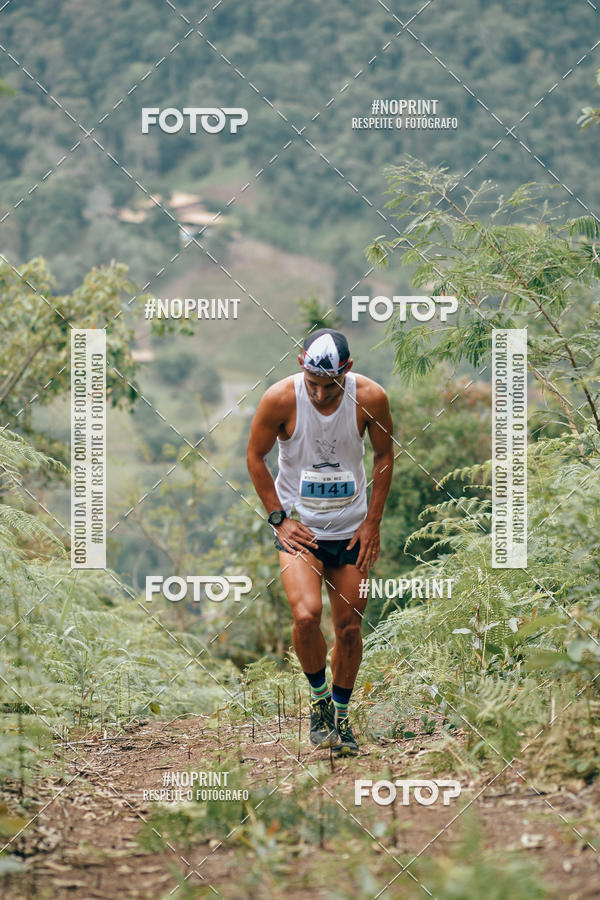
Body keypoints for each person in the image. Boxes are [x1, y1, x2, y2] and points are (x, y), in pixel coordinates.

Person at [246, 328, 394, 755]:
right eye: (313, 384)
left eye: (330, 387)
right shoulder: (280, 398)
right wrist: (279, 519)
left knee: (348, 629)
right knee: (307, 615)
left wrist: (373, 523)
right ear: (301, 366)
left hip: (351, 530)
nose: (320, 395)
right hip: (302, 530)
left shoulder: (370, 398)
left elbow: (385, 455)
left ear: (346, 372)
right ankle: (319, 702)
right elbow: (254, 456)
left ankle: (342, 719)